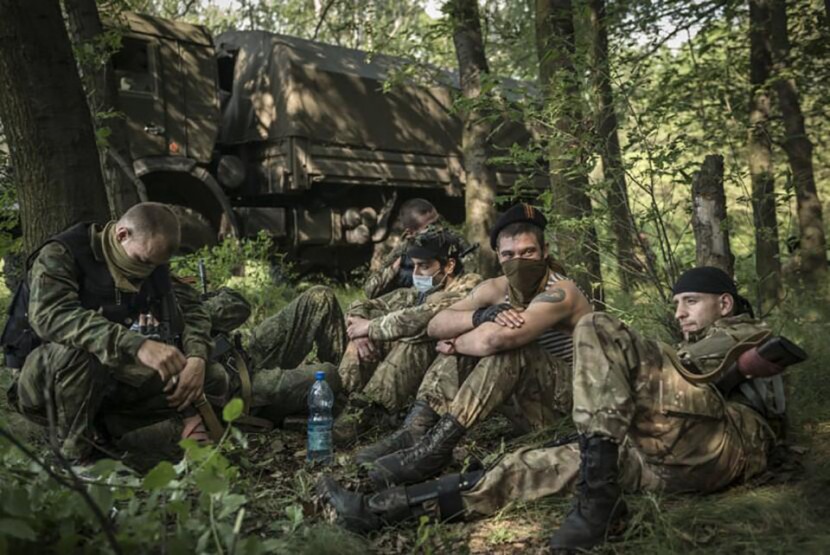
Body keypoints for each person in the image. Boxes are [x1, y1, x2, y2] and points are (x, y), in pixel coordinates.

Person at [317, 267, 803, 551]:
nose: (679, 312)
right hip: (664, 457)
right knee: (524, 468)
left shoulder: (746, 332)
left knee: (596, 327)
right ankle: (379, 511)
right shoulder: (693, 347)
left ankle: (599, 503)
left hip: (722, 443)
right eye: (676, 302)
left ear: (724, 303)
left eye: (690, 302)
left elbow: (719, 381)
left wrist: (740, 368)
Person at [362, 203, 592, 487]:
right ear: (498, 256)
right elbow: (435, 324)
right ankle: (417, 430)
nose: (518, 261)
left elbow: (498, 339)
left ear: (544, 252)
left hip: (571, 408)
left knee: (508, 348)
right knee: (471, 330)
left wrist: (459, 341)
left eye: (528, 252)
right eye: (509, 254)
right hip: (527, 406)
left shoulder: (561, 291)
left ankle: (435, 450)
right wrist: (479, 316)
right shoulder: (496, 288)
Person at [6, 203, 224, 461]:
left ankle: (104, 432)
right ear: (122, 235)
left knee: (212, 376)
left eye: (154, 265)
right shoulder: (63, 254)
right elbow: (50, 316)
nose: (145, 271)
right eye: (142, 261)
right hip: (45, 382)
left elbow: (192, 310)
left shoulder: (152, 261)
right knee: (82, 353)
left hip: (110, 376)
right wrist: (137, 345)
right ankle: (73, 459)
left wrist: (197, 357)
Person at [334, 230, 481, 444]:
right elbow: (365, 303)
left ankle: (370, 411)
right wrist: (359, 329)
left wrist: (371, 327)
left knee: (411, 338)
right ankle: (344, 403)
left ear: (449, 265)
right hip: (419, 371)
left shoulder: (470, 286)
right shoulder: (422, 289)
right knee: (364, 334)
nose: (417, 273)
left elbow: (425, 318)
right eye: (414, 266)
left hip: (448, 370)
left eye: (424, 266)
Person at [363, 198, 467, 299]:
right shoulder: (403, 250)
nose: (437, 229)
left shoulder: (453, 242)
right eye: (429, 227)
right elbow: (370, 291)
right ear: (410, 233)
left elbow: (469, 281)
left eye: (437, 222)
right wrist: (396, 265)